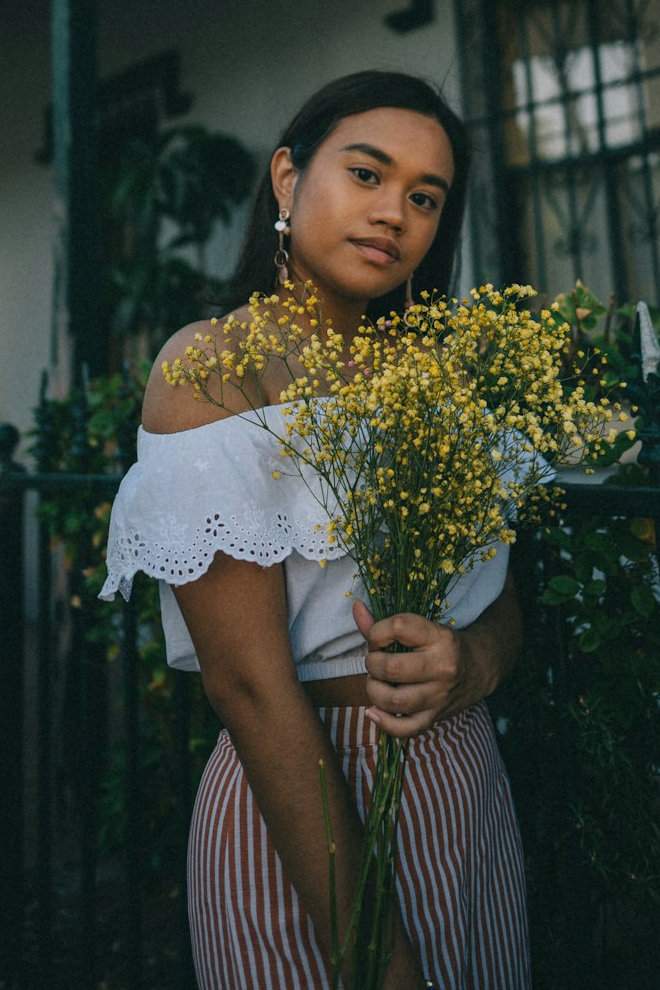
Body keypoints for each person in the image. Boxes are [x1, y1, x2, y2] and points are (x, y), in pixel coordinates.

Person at [102, 70, 532, 989]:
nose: (395, 214)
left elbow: (502, 603)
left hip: (461, 788)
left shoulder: (434, 374)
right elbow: (249, 687)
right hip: (301, 811)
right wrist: (378, 956)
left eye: (425, 197)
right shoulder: (215, 367)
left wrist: (472, 663)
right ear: (289, 180)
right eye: (368, 175)